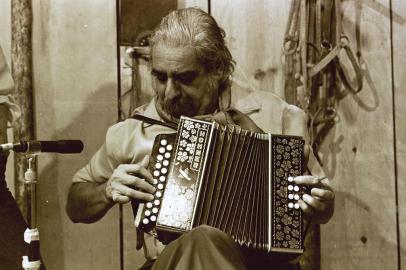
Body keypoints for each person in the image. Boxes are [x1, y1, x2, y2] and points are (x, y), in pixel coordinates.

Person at [66, 8, 334, 270]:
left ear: (217, 70)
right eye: (160, 77)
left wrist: (321, 203)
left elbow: (322, 203)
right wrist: (107, 190)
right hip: (172, 262)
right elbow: (75, 204)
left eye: (185, 78)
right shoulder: (131, 133)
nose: (169, 92)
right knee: (202, 238)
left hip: (264, 264)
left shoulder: (276, 115)